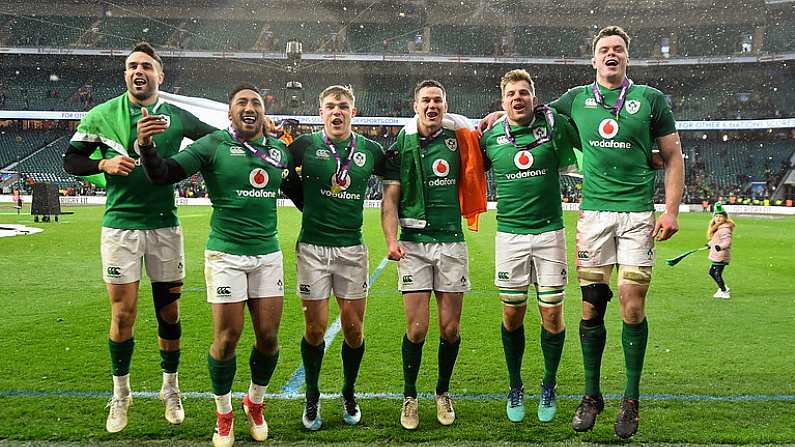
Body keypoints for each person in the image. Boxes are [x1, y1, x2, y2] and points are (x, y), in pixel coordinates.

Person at [62, 42, 216, 433]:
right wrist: (103, 162)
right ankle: (121, 393)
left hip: (165, 226)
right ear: (125, 74)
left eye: (146, 66)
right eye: (132, 66)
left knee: (170, 312)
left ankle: (171, 387)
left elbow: (218, 139)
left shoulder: (176, 117)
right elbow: (72, 159)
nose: (138, 71)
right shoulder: (101, 115)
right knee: (123, 314)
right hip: (120, 227)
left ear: (160, 76)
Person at [139, 83, 300, 447]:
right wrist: (147, 148)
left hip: (267, 255)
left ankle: (254, 404)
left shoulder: (278, 151)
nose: (248, 107)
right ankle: (223, 413)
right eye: (241, 102)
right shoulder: (213, 145)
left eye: (255, 103)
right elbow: (162, 173)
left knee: (269, 339)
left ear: (263, 113)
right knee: (227, 339)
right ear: (229, 113)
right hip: (225, 254)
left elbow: (300, 187)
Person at [550, 26, 684, 438]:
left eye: (618, 50)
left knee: (630, 302)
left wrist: (671, 210)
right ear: (593, 60)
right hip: (593, 216)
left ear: (627, 58)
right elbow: (533, 113)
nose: (611, 54)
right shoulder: (575, 99)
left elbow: (674, 155)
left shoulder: (650, 100)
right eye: (604, 50)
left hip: (637, 216)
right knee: (591, 304)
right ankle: (592, 395)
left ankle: (630, 398)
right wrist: (499, 114)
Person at [381, 79, 485, 430]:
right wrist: (392, 238)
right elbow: (391, 198)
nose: (432, 106)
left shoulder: (460, 137)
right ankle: (410, 395)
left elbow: (489, 139)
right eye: (426, 101)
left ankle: (442, 391)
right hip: (413, 243)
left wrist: (495, 115)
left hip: (451, 241)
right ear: (415, 105)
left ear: (445, 105)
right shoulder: (402, 142)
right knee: (416, 329)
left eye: (438, 101)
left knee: (450, 328)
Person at [480, 69, 579, 424]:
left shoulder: (552, 126)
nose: (517, 98)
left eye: (524, 93)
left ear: (534, 98)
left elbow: (586, 126)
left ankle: (549, 384)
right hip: (510, 236)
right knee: (512, 314)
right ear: (502, 100)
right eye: (511, 94)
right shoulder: (489, 136)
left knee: (552, 314)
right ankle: (515, 385)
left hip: (550, 233)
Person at [287, 85, 385, 430]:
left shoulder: (370, 150)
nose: (337, 112)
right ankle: (312, 394)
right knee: (314, 329)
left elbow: (400, 177)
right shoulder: (304, 146)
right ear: (320, 111)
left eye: (343, 106)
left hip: (352, 249)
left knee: (353, 330)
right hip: (312, 248)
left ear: (353, 112)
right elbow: (280, 172)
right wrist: (306, 203)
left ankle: (348, 390)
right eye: (330, 106)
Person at [706, 202, 735, 299]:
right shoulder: (717, 227)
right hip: (717, 255)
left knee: (717, 273)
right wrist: (710, 244)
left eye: (720, 216)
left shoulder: (725, 229)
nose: (718, 218)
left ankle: (724, 291)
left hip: (721, 256)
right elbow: (715, 240)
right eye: (716, 216)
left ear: (725, 217)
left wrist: (720, 247)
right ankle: (723, 287)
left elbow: (727, 241)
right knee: (711, 272)